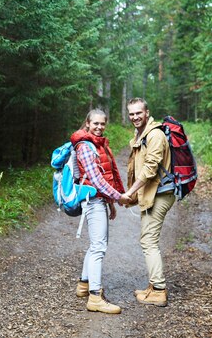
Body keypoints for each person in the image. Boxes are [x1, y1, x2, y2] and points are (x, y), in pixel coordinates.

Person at [70, 109, 131, 314]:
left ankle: (84, 284)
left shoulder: (97, 144)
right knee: (99, 248)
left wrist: (111, 203)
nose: (99, 127)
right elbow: (96, 180)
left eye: (102, 124)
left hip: (98, 201)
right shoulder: (86, 146)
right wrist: (118, 196)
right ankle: (95, 297)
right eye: (95, 123)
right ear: (87, 123)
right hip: (93, 201)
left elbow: (103, 175)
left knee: (95, 245)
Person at [118, 97, 173, 307]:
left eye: (138, 113)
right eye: (131, 114)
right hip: (152, 193)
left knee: (149, 240)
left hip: (160, 194)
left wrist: (130, 192)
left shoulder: (155, 135)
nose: (135, 117)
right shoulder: (141, 134)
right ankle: (153, 286)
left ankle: (159, 290)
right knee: (146, 239)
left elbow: (150, 169)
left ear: (147, 112)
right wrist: (132, 197)